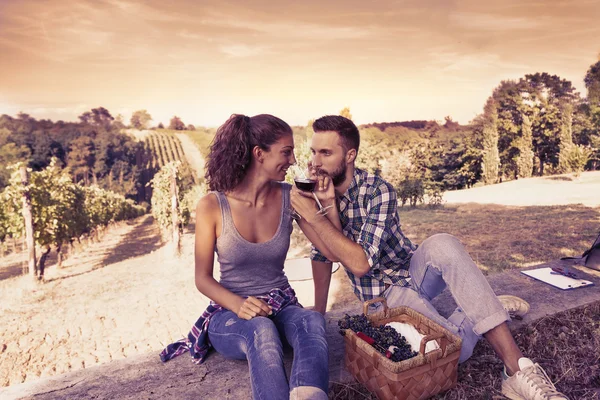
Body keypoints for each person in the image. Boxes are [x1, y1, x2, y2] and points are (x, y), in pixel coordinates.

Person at [290, 115, 568, 400]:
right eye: (313, 151)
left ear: (350, 155)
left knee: (443, 244)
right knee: (452, 352)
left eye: (326, 152)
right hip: (383, 296)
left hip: (412, 270)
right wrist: (320, 311)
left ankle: (516, 370)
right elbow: (326, 255)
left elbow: (360, 263)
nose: (315, 162)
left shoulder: (377, 190)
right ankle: (490, 307)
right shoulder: (315, 194)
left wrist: (317, 216)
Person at [160, 114, 329, 400]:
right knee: (260, 329)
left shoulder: (291, 196)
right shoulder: (212, 205)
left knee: (311, 322)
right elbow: (202, 278)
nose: (292, 160)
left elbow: (325, 249)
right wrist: (239, 305)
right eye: (286, 152)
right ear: (259, 154)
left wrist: (327, 205)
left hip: (281, 303)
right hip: (229, 315)